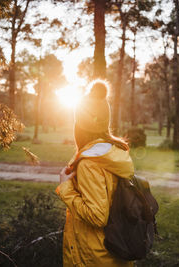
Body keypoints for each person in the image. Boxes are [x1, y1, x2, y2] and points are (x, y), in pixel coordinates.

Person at [56, 80, 134, 267]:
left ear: (79, 125)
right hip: (115, 252)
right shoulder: (112, 152)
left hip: (93, 257)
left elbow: (98, 216)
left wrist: (65, 187)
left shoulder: (89, 163)